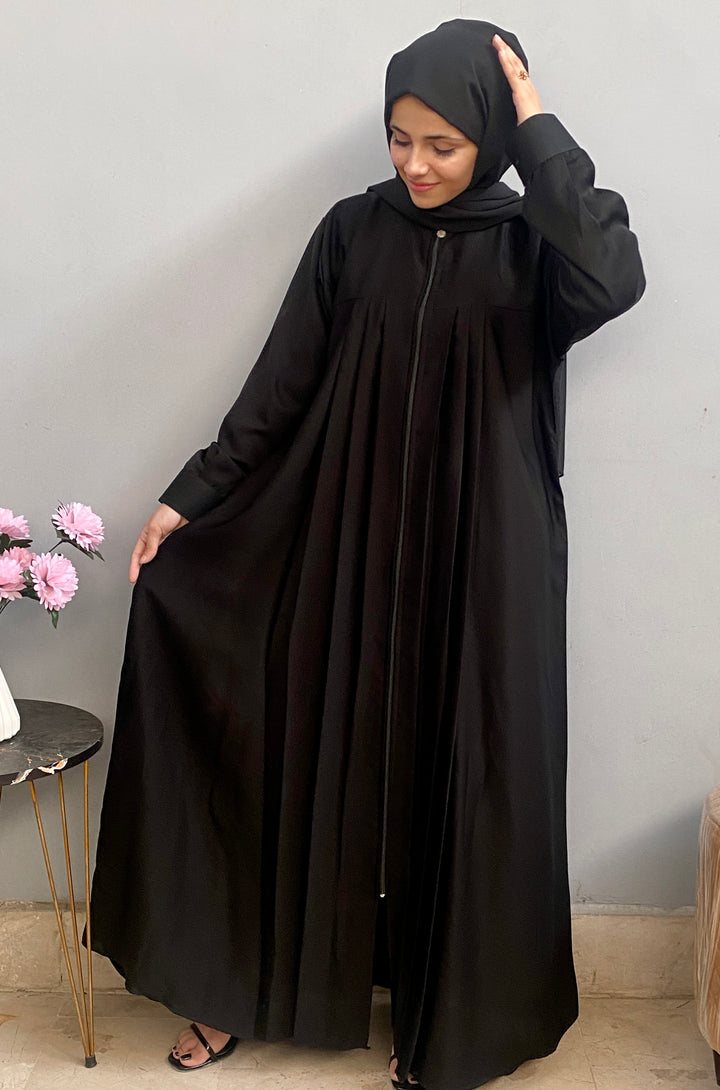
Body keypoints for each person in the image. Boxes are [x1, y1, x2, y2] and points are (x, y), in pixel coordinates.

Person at [90, 19, 645, 1090]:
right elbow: (282, 383)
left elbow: (616, 276)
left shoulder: (539, 243)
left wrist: (537, 126)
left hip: (486, 551)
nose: (415, 165)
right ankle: (241, 987)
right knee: (288, 740)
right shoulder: (353, 232)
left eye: (443, 143)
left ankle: (452, 1028)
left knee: (475, 766)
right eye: (399, 137)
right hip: (342, 532)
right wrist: (191, 496)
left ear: (490, 135)